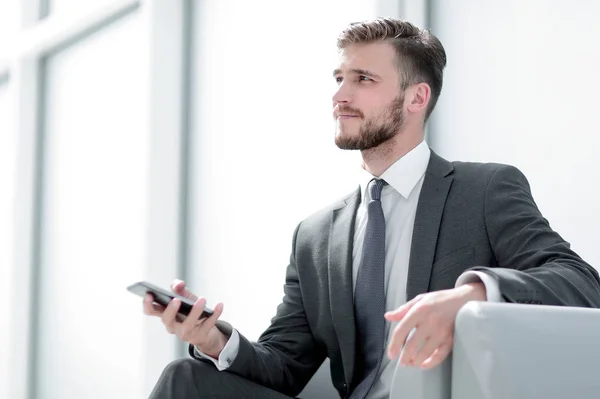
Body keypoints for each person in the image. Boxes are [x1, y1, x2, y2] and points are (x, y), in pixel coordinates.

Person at [144, 17, 600, 399]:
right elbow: (284, 366)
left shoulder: (483, 190)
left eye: (363, 79)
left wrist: (471, 296)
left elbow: (581, 283)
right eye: (339, 78)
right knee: (185, 379)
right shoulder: (315, 234)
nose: (340, 95)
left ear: (416, 98)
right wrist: (213, 339)